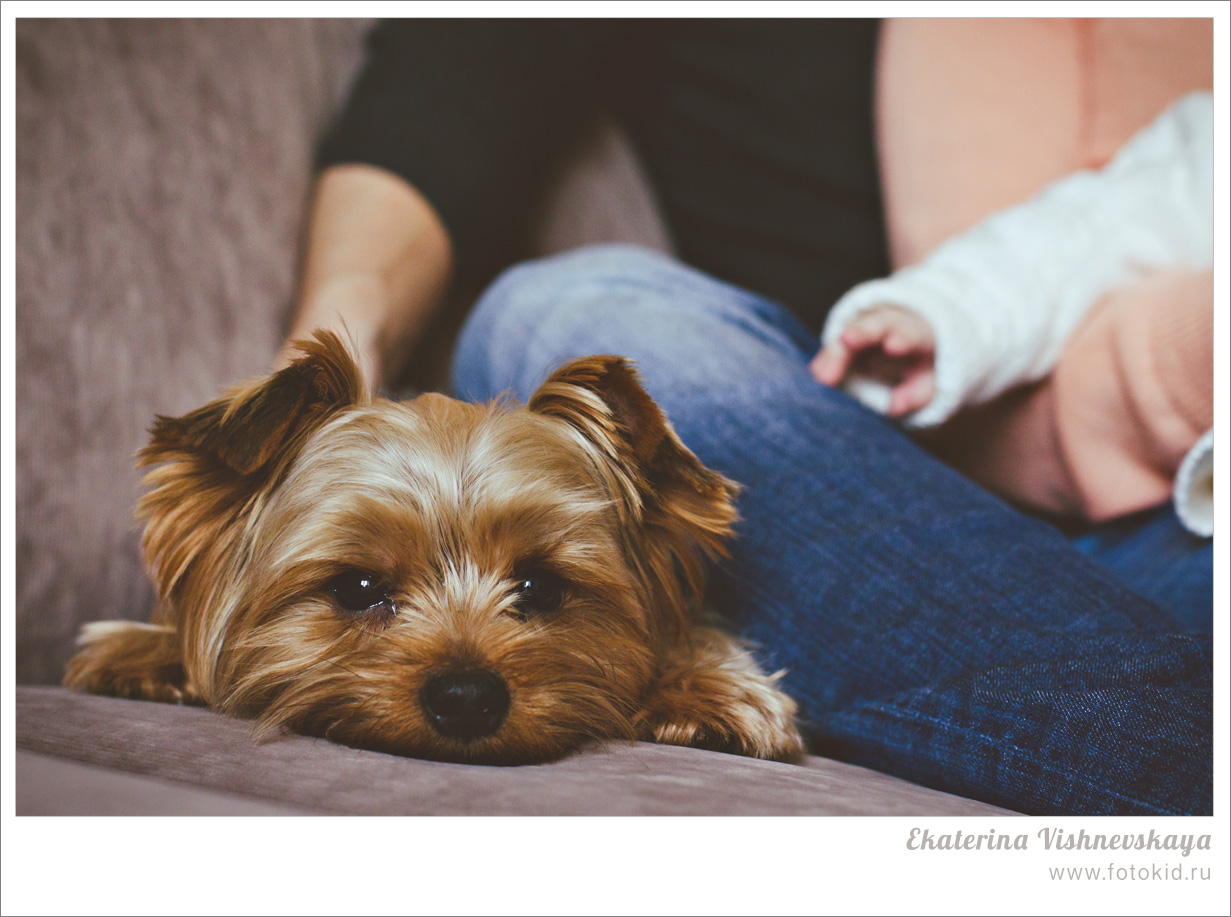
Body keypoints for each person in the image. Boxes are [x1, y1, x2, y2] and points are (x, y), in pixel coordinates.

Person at [279, 19, 1214, 814]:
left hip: (1184, 528)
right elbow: (457, 76)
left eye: (538, 594)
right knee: (576, 306)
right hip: (833, 442)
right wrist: (313, 373)